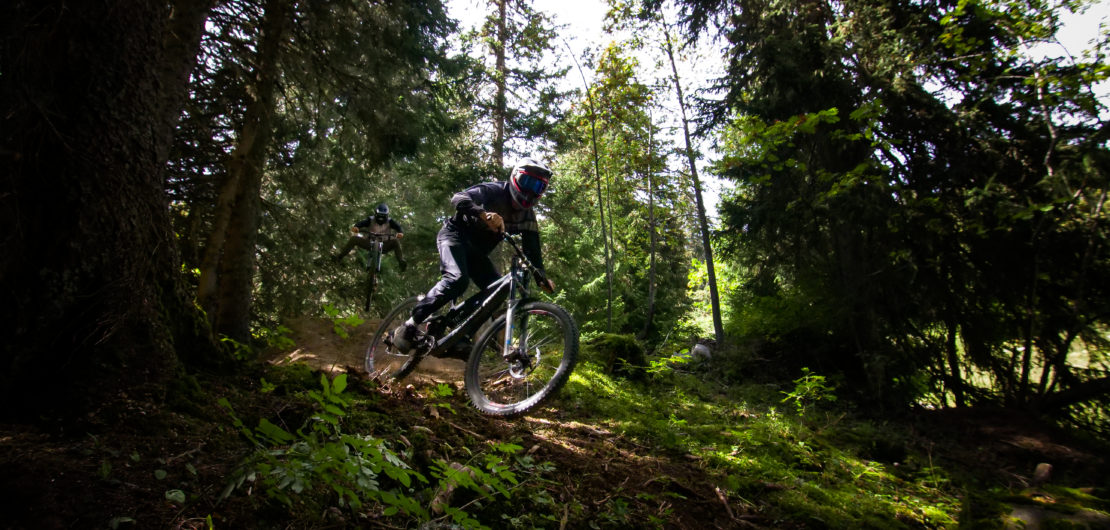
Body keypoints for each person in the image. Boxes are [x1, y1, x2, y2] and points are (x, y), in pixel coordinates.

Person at [393, 158, 555, 351]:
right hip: (454, 236)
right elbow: (459, 198)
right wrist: (483, 214)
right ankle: (409, 325)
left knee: (498, 291)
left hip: (476, 253)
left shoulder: (528, 218)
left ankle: (459, 333)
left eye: (538, 186)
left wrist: (541, 277)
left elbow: (533, 252)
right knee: (457, 280)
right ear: (514, 178)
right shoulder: (494, 191)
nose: (530, 191)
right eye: (528, 182)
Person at [333, 203, 407, 272]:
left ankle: (401, 261)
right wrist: (356, 227)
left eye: (383, 216)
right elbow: (361, 223)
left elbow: (398, 227)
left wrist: (400, 233)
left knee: (396, 241)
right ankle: (339, 257)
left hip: (385, 244)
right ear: (376, 214)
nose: (381, 218)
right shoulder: (370, 219)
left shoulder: (390, 221)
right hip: (369, 242)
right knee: (354, 239)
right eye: (379, 215)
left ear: (387, 215)